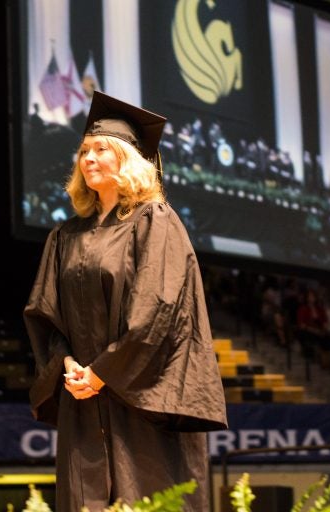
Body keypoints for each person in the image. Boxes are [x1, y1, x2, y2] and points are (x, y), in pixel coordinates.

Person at [23, 91, 228, 512]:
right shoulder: (65, 237)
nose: (89, 158)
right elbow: (47, 314)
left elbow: (159, 311)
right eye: (84, 150)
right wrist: (68, 365)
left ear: (128, 159)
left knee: (149, 498)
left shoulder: (155, 222)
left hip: (142, 400)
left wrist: (104, 373)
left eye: (101, 149)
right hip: (84, 397)